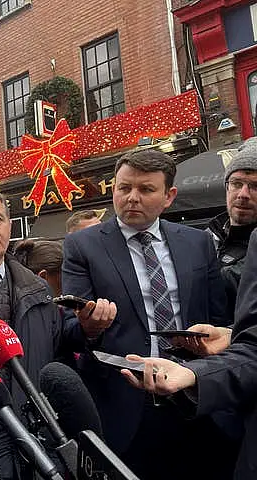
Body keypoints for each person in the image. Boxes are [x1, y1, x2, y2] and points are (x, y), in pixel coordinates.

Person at [62, 149, 229, 479]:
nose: (132, 198)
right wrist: (90, 327)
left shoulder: (198, 243)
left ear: (169, 196)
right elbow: (70, 331)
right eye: (124, 188)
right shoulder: (83, 246)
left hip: (196, 397)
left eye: (146, 189)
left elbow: (219, 321)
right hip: (127, 404)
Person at [0, 187, 115, 479]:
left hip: (41, 443)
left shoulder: (39, 289)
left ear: (10, 226)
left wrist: (88, 330)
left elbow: (57, 353)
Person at [122, 228, 257, 479]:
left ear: (168, 197)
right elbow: (253, 347)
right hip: (150, 406)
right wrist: (197, 371)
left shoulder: (197, 241)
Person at [207, 142, 257, 320]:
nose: (243, 194)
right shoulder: (204, 239)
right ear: (227, 187)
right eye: (236, 183)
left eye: (255, 186)